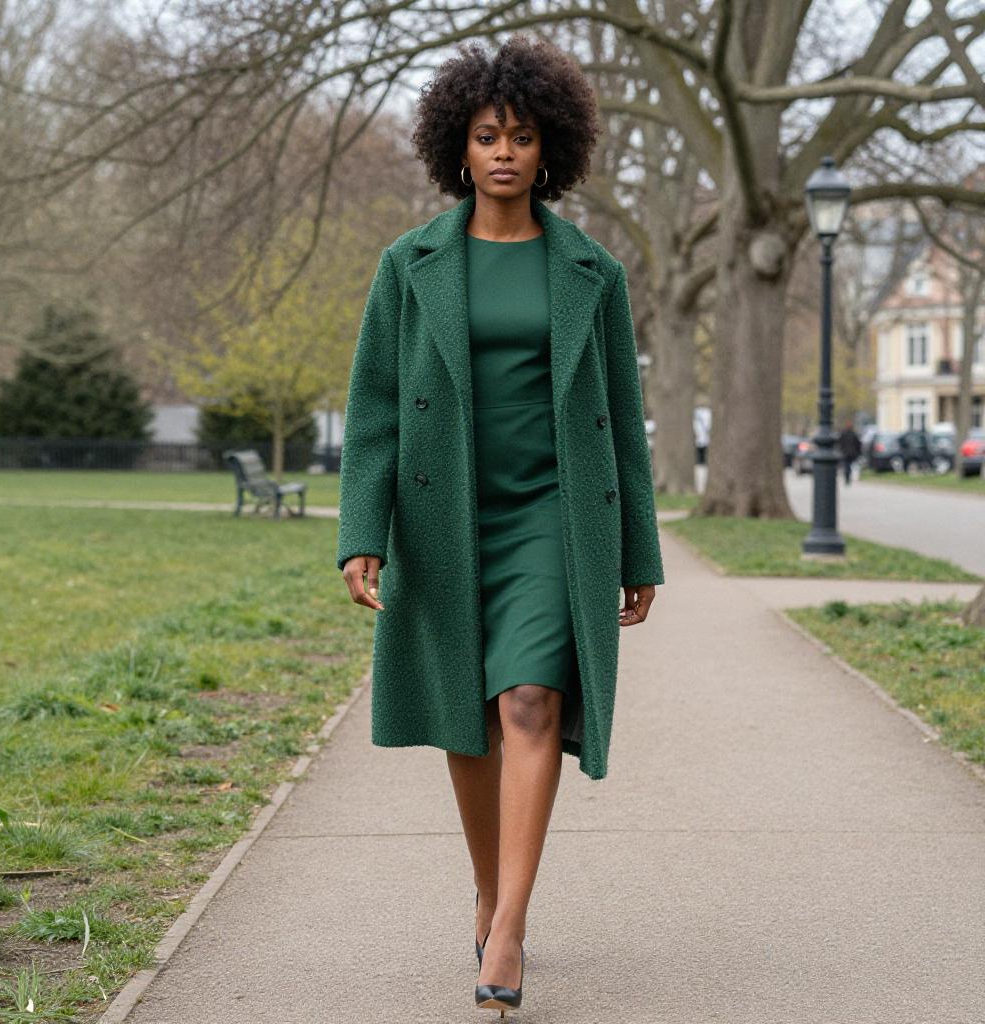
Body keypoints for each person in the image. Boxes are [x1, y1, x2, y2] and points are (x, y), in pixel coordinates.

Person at [336, 35, 664, 1016]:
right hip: (444, 518)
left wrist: (638, 547)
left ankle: (510, 925)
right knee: (468, 723)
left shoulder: (590, 272)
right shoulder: (411, 264)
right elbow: (376, 409)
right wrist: (364, 527)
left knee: (529, 702)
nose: (505, 152)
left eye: (521, 135)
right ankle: (486, 887)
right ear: (459, 148)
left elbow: (622, 416)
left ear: (549, 145)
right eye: (487, 136)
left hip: (550, 521)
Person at [838, 420, 862, 485]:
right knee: (850, 466)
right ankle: (848, 478)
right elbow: (858, 444)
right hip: (851, 453)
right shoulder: (853, 434)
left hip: (846, 453)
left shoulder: (845, 434)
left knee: (847, 466)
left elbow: (840, 443)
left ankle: (847, 478)